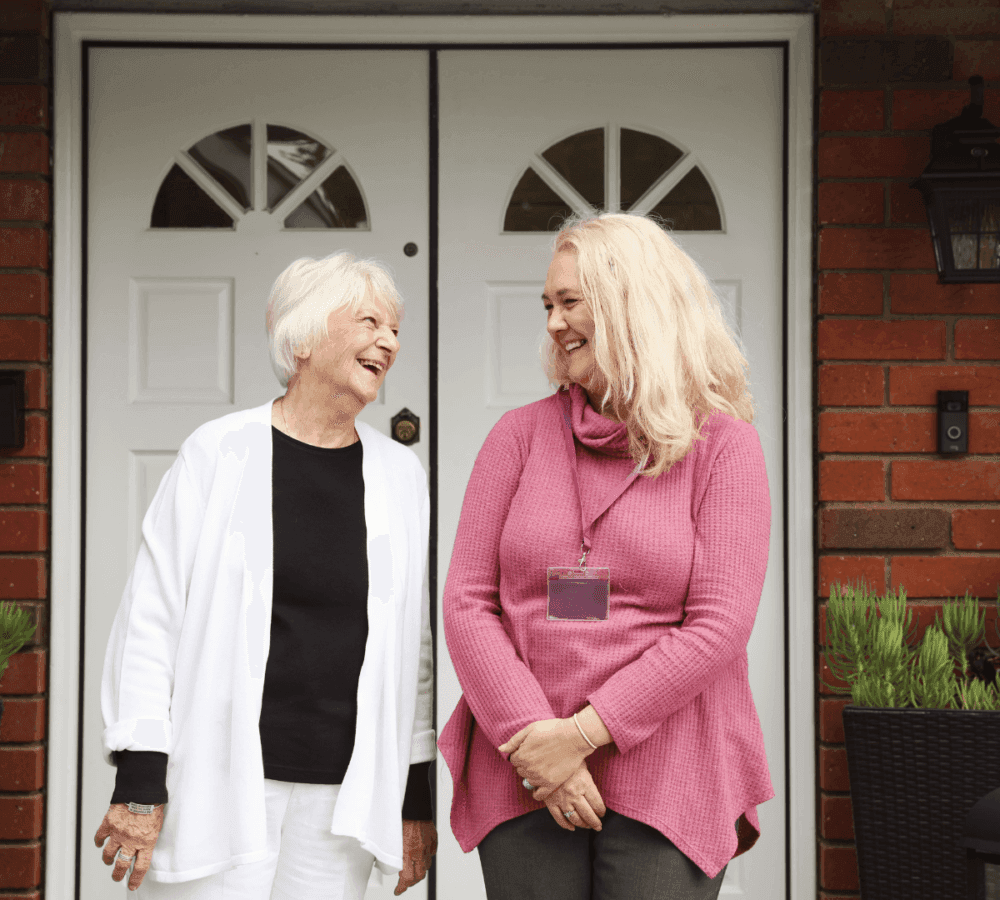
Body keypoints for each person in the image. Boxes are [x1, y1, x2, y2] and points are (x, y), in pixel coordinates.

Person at [439, 212, 773, 900]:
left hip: (670, 761)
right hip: (522, 756)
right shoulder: (518, 436)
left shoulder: (725, 447)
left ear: (632, 305)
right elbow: (468, 601)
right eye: (548, 306)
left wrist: (583, 735)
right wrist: (541, 743)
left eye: (570, 302)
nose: (555, 323)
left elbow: (719, 625)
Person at [94, 251, 437, 899]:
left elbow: (411, 654)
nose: (389, 341)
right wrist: (140, 779)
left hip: (346, 799)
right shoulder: (218, 452)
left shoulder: (399, 475)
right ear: (303, 336)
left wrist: (412, 797)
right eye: (369, 322)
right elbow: (151, 619)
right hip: (221, 782)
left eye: (395, 329)